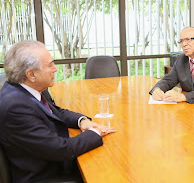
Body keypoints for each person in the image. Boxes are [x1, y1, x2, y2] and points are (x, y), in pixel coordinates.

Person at [0, 40, 116, 183]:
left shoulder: (24, 89)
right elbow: (62, 150)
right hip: (48, 176)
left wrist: (83, 121)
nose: (55, 68)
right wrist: (96, 133)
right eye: (50, 65)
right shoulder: (16, 107)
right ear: (31, 75)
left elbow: (56, 112)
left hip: (52, 163)